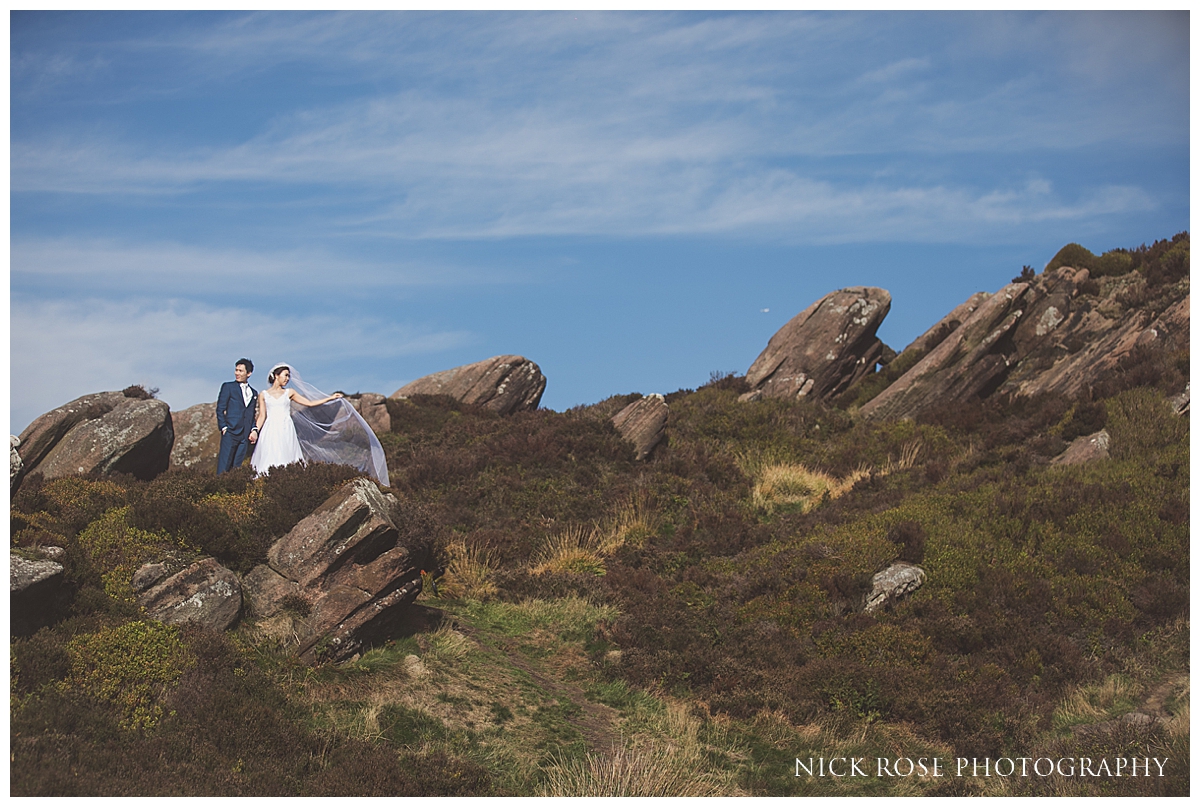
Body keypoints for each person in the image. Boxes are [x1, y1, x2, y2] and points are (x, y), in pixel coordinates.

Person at [249, 363, 390, 487]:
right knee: (269, 454)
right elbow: (262, 416)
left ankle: (285, 484)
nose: (287, 379)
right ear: (276, 375)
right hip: (270, 428)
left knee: (286, 455)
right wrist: (255, 430)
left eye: (288, 376)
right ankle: (264, 484)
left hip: (286, 428)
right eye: (285, 375)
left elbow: (309, 403)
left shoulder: (289, 393)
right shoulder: (264, 394)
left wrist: (330, 398)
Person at [216, 358, 258, 474]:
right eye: (236, 370)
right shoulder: (228, 387)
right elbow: (220, 409)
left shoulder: (254, 393)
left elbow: (251, 414)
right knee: (224, 467)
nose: (237, 373)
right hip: (230, 432)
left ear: (249, 373)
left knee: (237, 468)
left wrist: (254, 430)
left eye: (240, 371)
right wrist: (224, 428)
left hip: (244, 436)